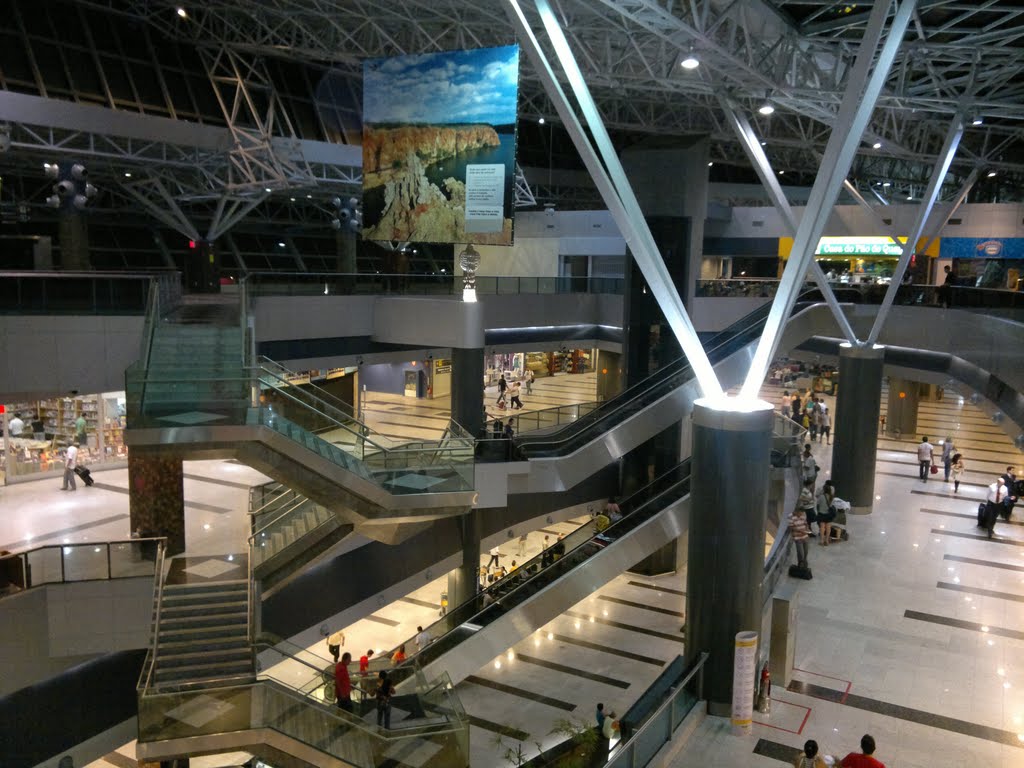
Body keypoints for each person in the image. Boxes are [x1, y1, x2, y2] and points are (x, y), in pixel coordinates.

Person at [789, 498, 811, 570]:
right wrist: (800, 531)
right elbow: (791, 528)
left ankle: (804, 564)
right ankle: (800, 564)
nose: (801, 515)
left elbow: (805, 523)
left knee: (806, 551)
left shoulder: (803, 514)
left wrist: (807, 529)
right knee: (800, 552)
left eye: (802, 513)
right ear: (797, 511)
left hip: (805, 536)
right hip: (797, 537)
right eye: (800, 513)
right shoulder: (791, 516)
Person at [816, 481, 837, 546]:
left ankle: (822, 541)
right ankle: (827, 541)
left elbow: (818, 505)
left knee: (822, 528)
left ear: (824, 490)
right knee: (828, 528)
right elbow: (833, 506)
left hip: (822, 514)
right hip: (829, 515)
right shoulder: (832, 497)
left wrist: (818, 511)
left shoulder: (821, 497)